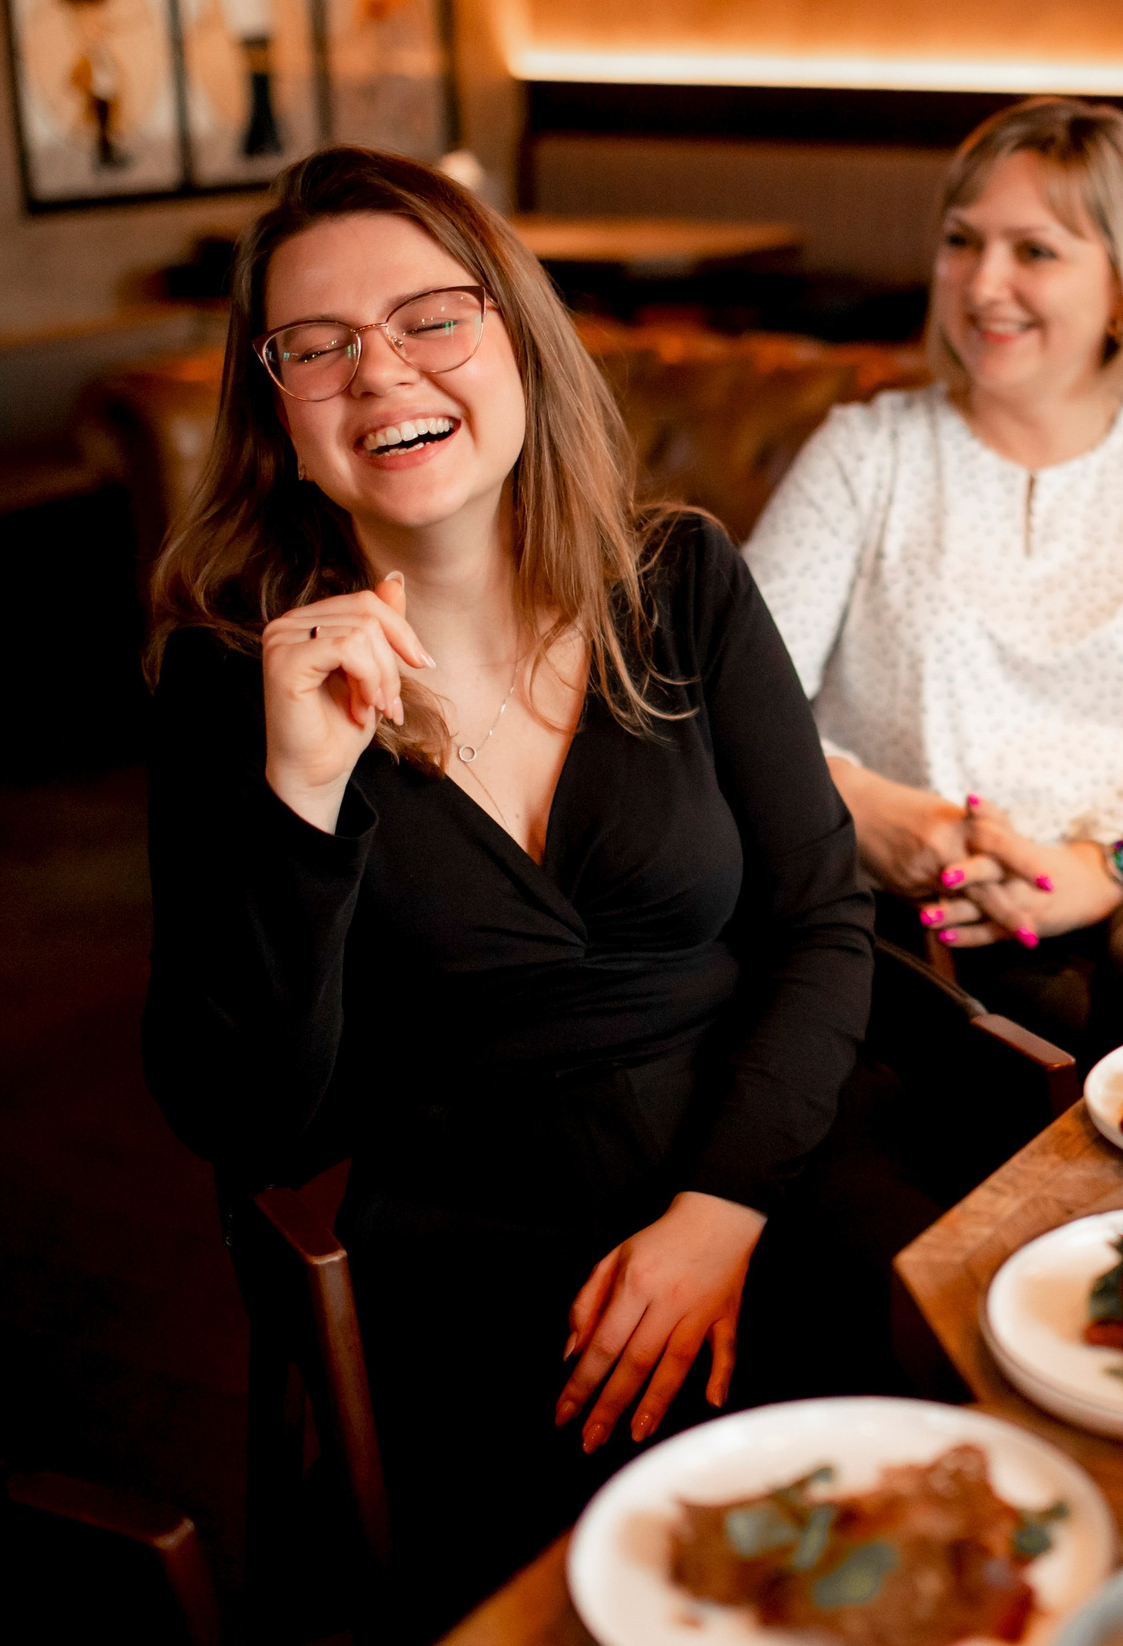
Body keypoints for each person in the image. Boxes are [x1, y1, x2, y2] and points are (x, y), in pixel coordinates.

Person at [142, 147, 871, 1635]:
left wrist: (721, 1208)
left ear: (519, 339)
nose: (379, 373)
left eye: (429, 318)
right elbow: (247, 1118)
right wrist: (301, 798)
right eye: (316, 346)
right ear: (277, 413)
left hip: (763, 1165)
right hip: (482, 1266)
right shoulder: (233, 679)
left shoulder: (680, 578)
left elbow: (821, 921)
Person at [744, 98, 1123, 1059]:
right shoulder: (865, 453)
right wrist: (860, 807)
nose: (983, 283)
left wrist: (1097, 867)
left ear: (1122, 286)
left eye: (1034, 251)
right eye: (963, 242)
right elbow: (737, 701)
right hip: (891, 923)